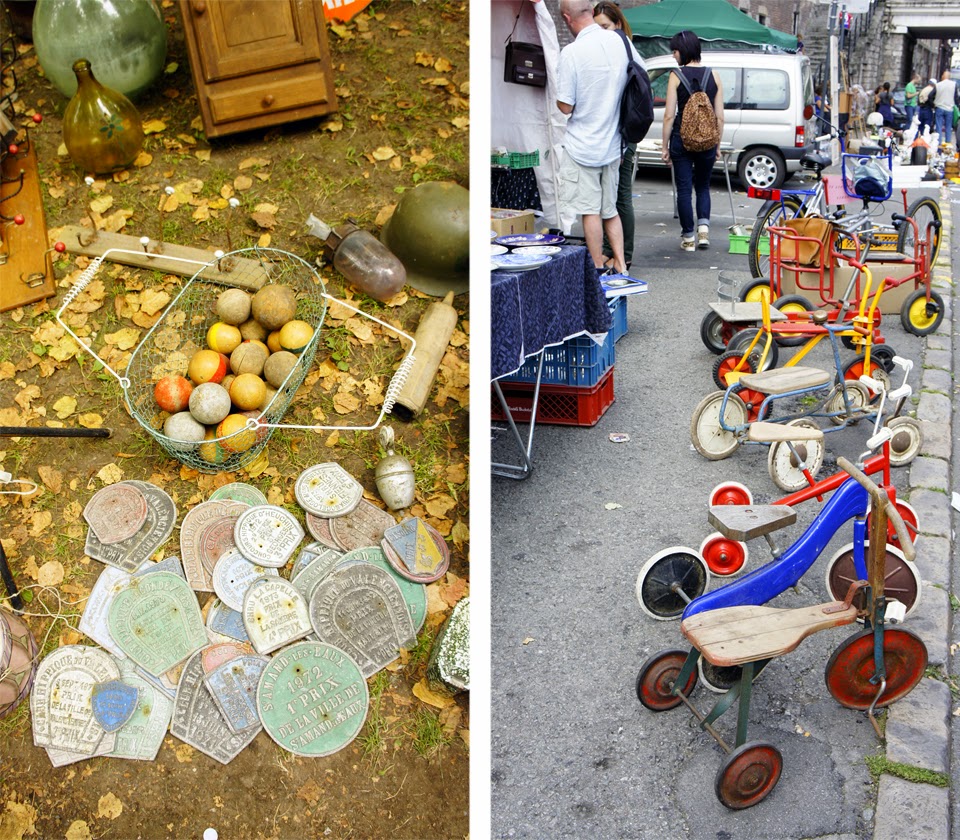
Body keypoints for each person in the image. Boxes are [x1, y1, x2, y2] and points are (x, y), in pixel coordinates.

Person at [555, 0, 642, 275]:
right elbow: (639, 76)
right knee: (611, 210)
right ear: (592, 12)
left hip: (583, 147)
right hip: (613, 146)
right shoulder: (620, 42)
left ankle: (595, 268)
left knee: (590, 212)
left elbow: (565, 106)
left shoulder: (571, 53)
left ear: (567, 18)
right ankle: (621, 264)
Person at [661, 30, 724, 252]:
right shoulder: (714, 75)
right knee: (703, 186)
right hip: (707, 141)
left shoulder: (676, 76)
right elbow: (720, 116)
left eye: (675, 51)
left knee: (685, 189)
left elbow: (669, 115)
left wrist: (664, 145)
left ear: (683, 51)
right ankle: (704, 232)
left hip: (682, 140)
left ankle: (688, 238)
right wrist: (717, 144)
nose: (673, 56)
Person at [593, 2, 637, 271]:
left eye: (605, 27)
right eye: (596, 27)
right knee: (611, 197)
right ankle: (614, 251)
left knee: (620, 196)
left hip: (623, 135)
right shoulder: (617, 49)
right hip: (616, 134)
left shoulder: (624, 51)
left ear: (618, 24)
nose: (602, 33)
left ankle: (624, 254)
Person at [934, 69, 959, 145]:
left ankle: (938, 144)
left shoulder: (938, 85)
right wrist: (956, 106)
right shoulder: (954, 84)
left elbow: (930, 95)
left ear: (943, 76)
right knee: (948, 128)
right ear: (949, 77)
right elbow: (956, 97)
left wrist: (933, 104)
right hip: (949, 109)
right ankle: (947, 145)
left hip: (939, 108)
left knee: (939, 126)